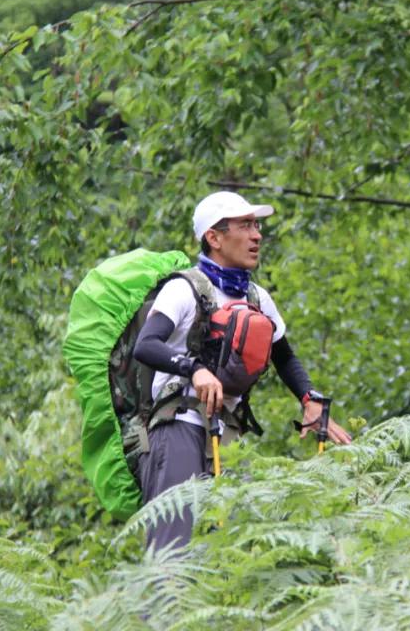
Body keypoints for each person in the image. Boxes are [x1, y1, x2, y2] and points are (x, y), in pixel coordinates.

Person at [133, 191, 351, 550]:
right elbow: (146, 345)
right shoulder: (183, 289)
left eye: (257, 225)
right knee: (172, 552)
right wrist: (194, 370)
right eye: (245, 226)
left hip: (229, 434)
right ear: (214, 238)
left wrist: (309, 400)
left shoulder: (257, 298)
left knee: (234, 550)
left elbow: (285, 357)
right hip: (177, 430)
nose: (257, 235)